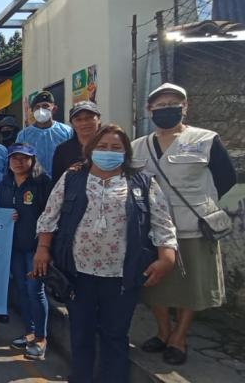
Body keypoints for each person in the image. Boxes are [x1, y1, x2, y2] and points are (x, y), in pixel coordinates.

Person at [33, 124, 178, 383]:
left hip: (122, 276)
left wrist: (167, 256)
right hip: (78, 273)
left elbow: (162, 222)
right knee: (81, 332)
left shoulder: (142, 182)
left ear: (126, 152)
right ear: (90, 150)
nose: (108, 151)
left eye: (115, 147)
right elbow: (49, 217)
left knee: (115, 334)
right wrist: (43, 249)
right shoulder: (72, 178)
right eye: (102, 146)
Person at [132, 83, 237, 365]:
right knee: (154, 285)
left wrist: (201, 203)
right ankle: (163, 330)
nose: (167, 109)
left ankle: (179, 337)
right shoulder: (137, 146)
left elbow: (225, 178)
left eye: (173, 104)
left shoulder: (205, 139)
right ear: (149, 109)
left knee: (191, 286)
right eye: (160, 105)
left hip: (193, 226)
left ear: (185, 107)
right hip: (152, 230)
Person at [0, 143, 51, 360]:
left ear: (32, 160)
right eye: (14, 158)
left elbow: (50, 214)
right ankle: (28, 332)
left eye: (24, 158)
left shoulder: (42, 182)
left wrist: (45, 248)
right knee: (20, 289)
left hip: (35, 248)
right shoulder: (5, 183)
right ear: (9, 161)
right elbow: (0, 212)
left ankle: (41, 338)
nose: (19, 162)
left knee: (35, 290)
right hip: (14, 247)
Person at [16, 91, 73, 177]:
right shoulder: (24, 135)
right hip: (34, 183)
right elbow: (18, 159)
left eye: (45, 106)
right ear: (32, 111)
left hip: (61, 181)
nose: (41, 110)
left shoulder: (67, 131)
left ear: (54, 109)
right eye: (37, 107)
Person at [51, 101, 102, 182]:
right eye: (78, 119)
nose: (84, 123)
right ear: (72, 124)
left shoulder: (109, 146)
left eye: (89, 118)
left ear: (99, 119)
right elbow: (56, 183)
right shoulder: (62, 151)